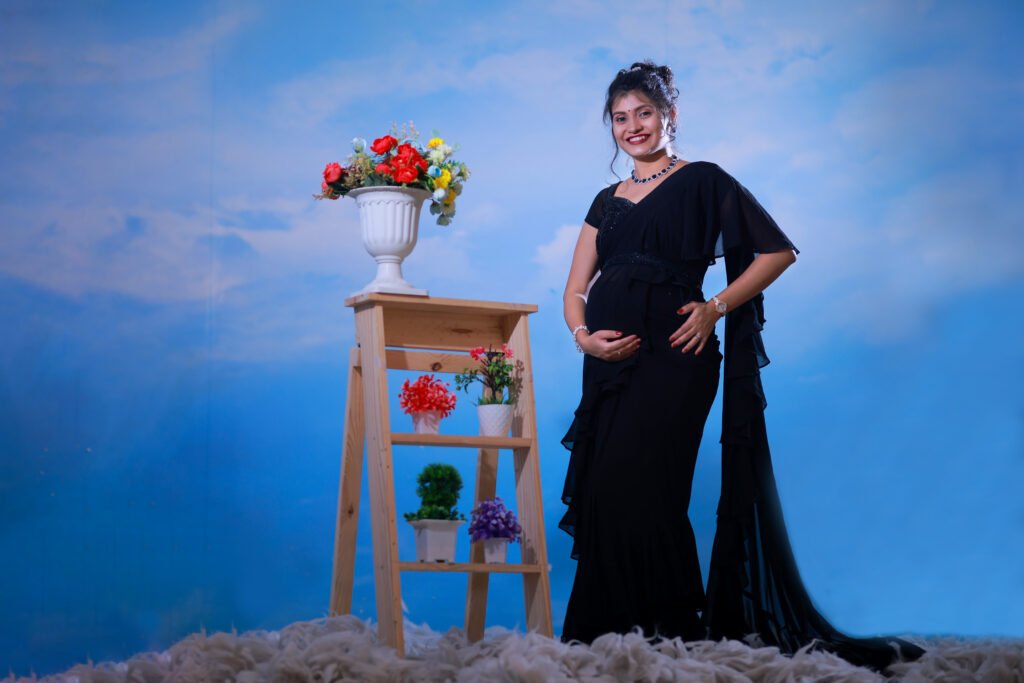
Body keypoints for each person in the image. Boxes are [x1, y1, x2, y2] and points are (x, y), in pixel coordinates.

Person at [558, 60, 925, 672]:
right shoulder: (606, 201)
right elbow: (575, 289)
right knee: (605, 490)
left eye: (644, 113)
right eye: (620, 118)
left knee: (647, 490)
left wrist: (715, 308)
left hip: (675, 359)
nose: (633, 127)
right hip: (607, 367)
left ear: (669, 116)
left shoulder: (703, 180)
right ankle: (603, 643)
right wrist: (583, 338)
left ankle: (666, 638)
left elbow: (778, 251)